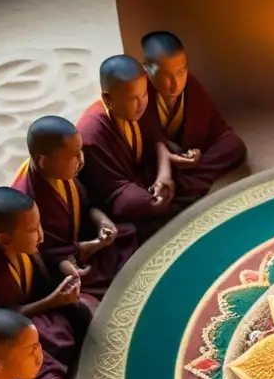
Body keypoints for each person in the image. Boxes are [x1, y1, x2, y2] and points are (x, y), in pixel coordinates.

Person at [0, 187, 90, 379]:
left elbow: (44, 257)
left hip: (26, 305)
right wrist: (52, 301)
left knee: (83, 307)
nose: (41, 235)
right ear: (4, 239)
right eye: (33, 230)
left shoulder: (12, 240)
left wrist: (65, 266)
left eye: (39, 225)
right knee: (54, 340)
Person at [14, 115, 138, 300]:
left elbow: (85, 205)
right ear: (42, 161)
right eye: (72, 156)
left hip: (77, 245)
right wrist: (87, 249)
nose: (81, 160)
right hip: (60, 263)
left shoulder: (60, 172)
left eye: (80, 151)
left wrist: (102, 221)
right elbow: (42, 253)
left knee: (126, 232)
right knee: (78, 285)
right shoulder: (28, 200)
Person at [77, 54, 179, 242]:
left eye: (144, 94)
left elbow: (157, 140)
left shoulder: (139, 99)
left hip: (141, 171)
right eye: (133, 98)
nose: (142, 104)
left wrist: (163, 175)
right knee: (146, 203)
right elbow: (110, 193)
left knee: (176, 153)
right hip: (116, 188)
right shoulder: (91, 136)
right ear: (108, 99)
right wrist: (150, 193)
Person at [141, 31, 247, 199]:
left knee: (234, 146)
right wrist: (168, 153)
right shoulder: (138, 91)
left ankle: (184, 181)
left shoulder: (191, 84)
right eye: (166, 74)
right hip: (161, 158)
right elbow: (141, 140)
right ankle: (182, 181)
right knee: (149, 169)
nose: (176, 82)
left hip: (186, 153)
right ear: (146, 68)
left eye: (181, 71)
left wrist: (194, 152)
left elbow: (215, 126)